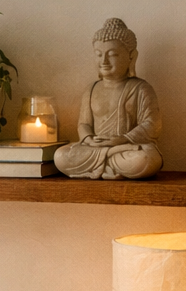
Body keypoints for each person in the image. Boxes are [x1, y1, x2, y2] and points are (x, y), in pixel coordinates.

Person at [54, 19, 162, 180]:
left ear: (132, 57)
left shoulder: (140, 88)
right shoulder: (91, 89)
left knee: (145, 159)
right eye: (99, 54)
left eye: (112, 55)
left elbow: (152, 124)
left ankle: (106, 161)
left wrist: (123, 139)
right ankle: (108, 159)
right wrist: (89, 139)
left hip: (126, 147)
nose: (103, 61)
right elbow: (84, 124)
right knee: (60, 156)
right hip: (95, 149)